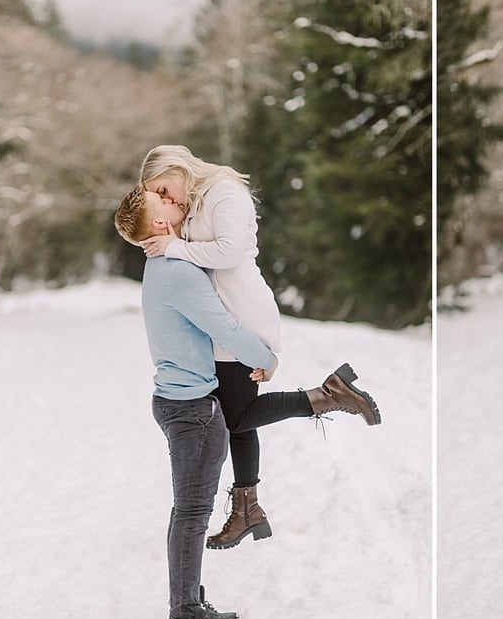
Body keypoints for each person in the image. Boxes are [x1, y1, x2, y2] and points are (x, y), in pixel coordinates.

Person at [134, 145, 381, 548]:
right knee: (234, 416)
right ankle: (248, 510)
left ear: (177, 169)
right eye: (158, 197)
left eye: (162, 190)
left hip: (242, 315)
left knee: (234, 418)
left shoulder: (225, 192)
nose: (165, 200)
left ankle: (327, 395)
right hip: (222, 320)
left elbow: (230, 252)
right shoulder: (196, 201)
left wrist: (174, 247)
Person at [114, 189, 282, 619]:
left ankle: (188, 606)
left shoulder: (165, 265)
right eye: (162, 201)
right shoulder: (176, 272)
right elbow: (223, 327)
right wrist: (266, 359)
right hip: (192, 410)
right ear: (161, 226)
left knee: (186, 513)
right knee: (191, 516)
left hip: (182, 403)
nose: (174, 201)